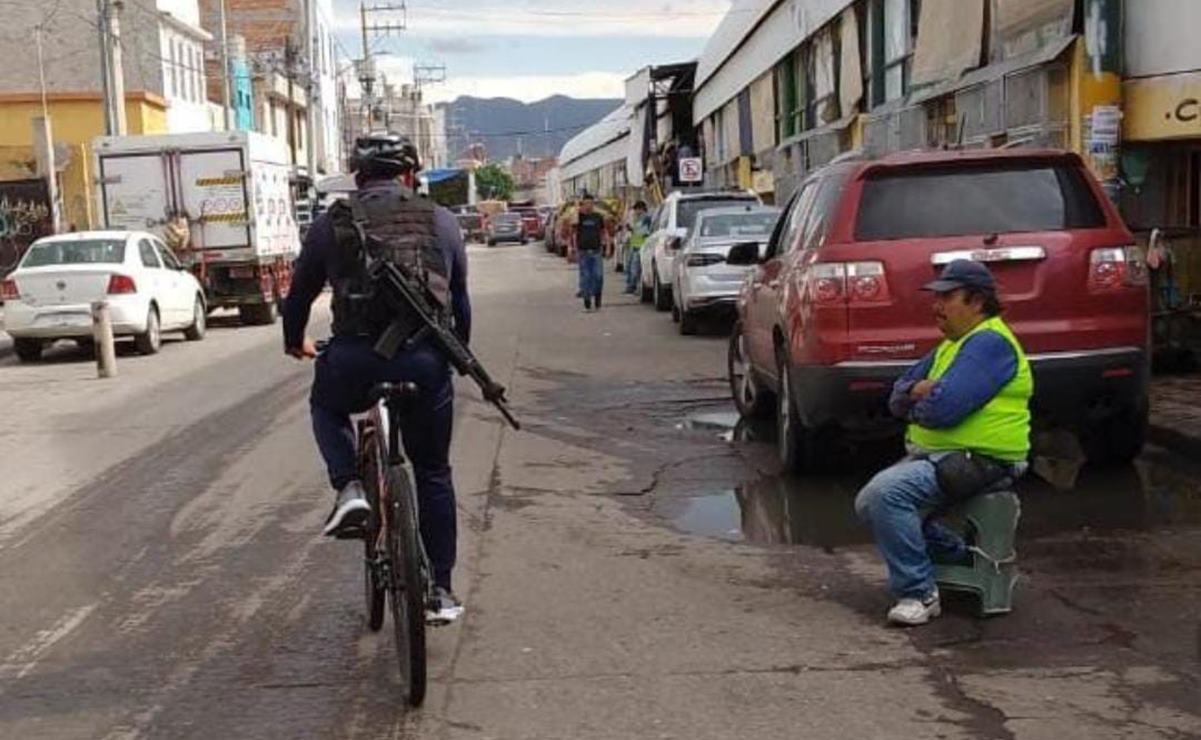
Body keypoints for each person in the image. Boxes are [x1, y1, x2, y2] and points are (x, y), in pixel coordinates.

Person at [282, 133, 469, 623]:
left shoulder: (330, 224)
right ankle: (442, 591)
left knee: (325, 406)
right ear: (410, 176)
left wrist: (293, 340)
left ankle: (350, 487)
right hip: (424, 363)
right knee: (432, 472)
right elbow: (460, 306)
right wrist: (450, 360)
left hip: (353, 361)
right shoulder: (442, 221)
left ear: (358, 178)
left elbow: (298, 296)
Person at [854, 260, 1033, 627]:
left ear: (978, 302)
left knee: (886, 495)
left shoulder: (990, 344)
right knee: (869, 503)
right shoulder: (950, 347)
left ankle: (919, 592)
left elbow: (943, 411)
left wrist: (918, 400)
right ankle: (957, 555)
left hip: (984, 459)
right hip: (945, 456)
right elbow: (896, 396)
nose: (936, 306)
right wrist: (915, 393)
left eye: (948, 297)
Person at [568, 193, 611, 311]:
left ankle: (597, 298)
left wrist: (607, 247)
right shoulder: (579, 217)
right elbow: (572, 231)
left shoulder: (598, 217)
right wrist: (570, 248)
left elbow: (604, 232)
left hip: (597, 251)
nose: (588, 206)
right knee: (585, 277)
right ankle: (587, 301)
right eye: (586, 203)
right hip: (583, 252)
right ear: (583, 204)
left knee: (598, 276)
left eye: (590, 203)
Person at [623, 201, 652, 295]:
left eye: (637, 209)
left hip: (641, 246)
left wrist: (633, 230)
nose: (635, 212)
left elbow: (645, 232)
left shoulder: (646, 219)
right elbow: (636, 231)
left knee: (635, 269)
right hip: (634, 245)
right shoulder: (637, 219)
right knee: (630, 268)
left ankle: (633, 287)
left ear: (642, 209)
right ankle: (631, 286)